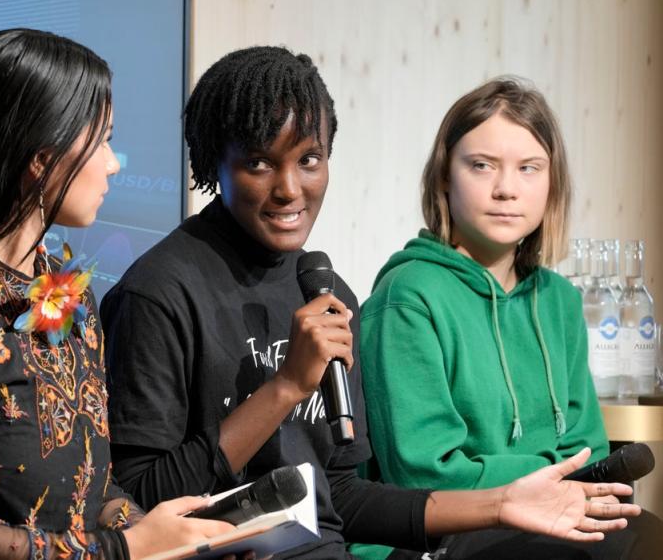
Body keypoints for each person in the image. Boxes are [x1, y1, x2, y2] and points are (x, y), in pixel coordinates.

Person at [102, 46, 640, 559]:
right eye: (260, 164)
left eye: (309, 159)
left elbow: (343, 499)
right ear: (213, 163)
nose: (290, 189)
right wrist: (287, 387)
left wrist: (502, 505)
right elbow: (140, 495)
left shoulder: (325, 290)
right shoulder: (159, 292)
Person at [0, 28, 234, 559]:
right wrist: (126, 549)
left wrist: (176, 536)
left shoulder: (66, 288)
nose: (114, 163)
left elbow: (95, 493)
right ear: (41, 160)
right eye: (102, 140)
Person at [357, 77, 663, 558]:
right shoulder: (408, 294)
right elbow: (424, 472)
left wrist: (564, 487)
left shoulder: (559, 299)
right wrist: (549, 479)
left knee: (647, 534)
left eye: (529, 168)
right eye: (481, 166)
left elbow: (591, 450)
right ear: (444, 176)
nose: (506, 189)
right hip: (439, 532)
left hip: (554, 513)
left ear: (551, 182)